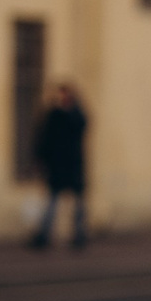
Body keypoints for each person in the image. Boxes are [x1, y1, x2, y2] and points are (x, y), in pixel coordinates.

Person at [30, 82, 89, 249]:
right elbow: (44, 140)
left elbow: (82, 125)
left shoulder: (76, 114)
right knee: (52, 202)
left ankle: (80, 235)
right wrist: (41, 160)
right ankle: (43, 236)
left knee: (78, 204)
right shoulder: (53, 115)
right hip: (57, 166)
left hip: (73, 165)